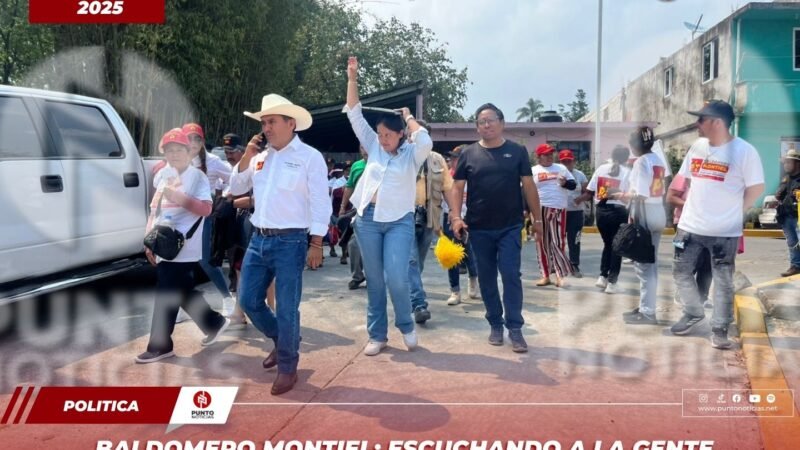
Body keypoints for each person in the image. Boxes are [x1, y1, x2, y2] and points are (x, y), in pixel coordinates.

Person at [229, 93, 331, 395]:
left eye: (272, 121)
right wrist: (247, 155)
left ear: (291, 123)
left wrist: (317, 242)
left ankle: (288, 367)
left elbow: (320, 201)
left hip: (291, 241)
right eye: (263, 123)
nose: (266, 128)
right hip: (258, 238)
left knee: (287, 307)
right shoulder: (260, 158)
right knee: (248, 300)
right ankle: (283, 339)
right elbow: (235, 186)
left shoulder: (310, 157)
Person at [344, 56, 431, 356]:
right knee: (375, 281)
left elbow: (426, 141)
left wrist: (408, 117)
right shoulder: (373, 146)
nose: (382, 140)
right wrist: (352, 78)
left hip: (399, 222)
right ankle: (377, 335)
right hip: (367, 220)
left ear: (401, 135)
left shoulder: (412, 155)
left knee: (397, 277)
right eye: (380, 135)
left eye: (388, 135)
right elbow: (354, 114)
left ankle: (406, 324)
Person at [448, 102, 543, 353]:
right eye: (481, 122)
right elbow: (457, 187)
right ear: (477, 127)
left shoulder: (517, 151)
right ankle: (495, 324)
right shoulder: (468, 154)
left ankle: (515, 327)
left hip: (510, 226)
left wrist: (538, 219)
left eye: (491, 120)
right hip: (479, 228)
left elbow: (528, 185)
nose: (486, 125)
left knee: (511, 274)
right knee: (487, 278)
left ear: (502, 123)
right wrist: (456, 217)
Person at [670, 100, 764, 349]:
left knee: (722, 280)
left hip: (724, 233)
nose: (697, 124)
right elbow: (686, 179)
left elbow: (756, 188)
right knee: (680, 272)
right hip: (689, 227)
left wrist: (733, 212)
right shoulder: (697, 147)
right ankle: (693, 312)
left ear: (717, 123)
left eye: (701, 119)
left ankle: (720, 328)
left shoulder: (744, 151)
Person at [136, 128, 231, 364]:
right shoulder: (162, 174)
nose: (174, 154)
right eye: (169, 150)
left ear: (189, 152)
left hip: (184, 245)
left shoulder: (197, 177)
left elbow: (206, 209)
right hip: (163, 242)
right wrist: (149, 239)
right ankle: (213, 322)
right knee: (181, 290)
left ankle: (160, 345)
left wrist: (177, 196)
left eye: (179, 149)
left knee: (166, 293)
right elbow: (155, 209)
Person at [612, 127, 667, 325]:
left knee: (644, 266)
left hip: (645, 214)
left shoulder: (641, 162)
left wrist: (621, 195)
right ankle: (647, 306)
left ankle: (648, 312)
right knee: (651, 264)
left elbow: (641, 194)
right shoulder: (658, 159)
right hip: (658, 211)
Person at [182, 123, 235, 314]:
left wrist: (223, 198)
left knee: (205, 261)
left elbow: (234, 179)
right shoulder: (179, 159)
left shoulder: (213, 161)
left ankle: (227, 299)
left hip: (204, 217)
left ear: (202, 141)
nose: (193, 143)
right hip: (182, 217)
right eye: (189, 139)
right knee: (181, 262)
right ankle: (183, 305)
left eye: (197, 139)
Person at [408, 119, 454, 324]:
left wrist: (454, 213)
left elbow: (447, 188)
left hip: (430, 216)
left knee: (418, 262)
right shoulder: (401, 155)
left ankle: (410, 293)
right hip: (405, 216)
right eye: (413, 132)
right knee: (411, 260)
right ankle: (419, 304)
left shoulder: (437, 159)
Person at [577, 145, 631, 294]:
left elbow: (589, 191)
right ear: (626, 158)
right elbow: (629, 195)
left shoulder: (601, 169)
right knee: (617, 247)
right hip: (619, 211)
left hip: (601, 211)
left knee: (608, 244)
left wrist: (579, 199)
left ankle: (602, 276)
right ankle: (612, 282)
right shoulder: (628, 172)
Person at [531, 143, 576, 287]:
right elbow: (526, 191)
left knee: (558, 242)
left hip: (558, 209)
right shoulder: (533, 170)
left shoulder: (561, 168)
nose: (550, 156)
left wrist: (565, 183)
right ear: (539, 157)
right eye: (546, 154)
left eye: (551, 154)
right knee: (541, 242)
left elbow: (573, 185)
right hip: (540, 209)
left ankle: (560, 275)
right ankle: (545, 275)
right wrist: (526, 210)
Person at [666, 173, 712, 308]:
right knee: (686, 262)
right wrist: (692, 206)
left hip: (709, 225)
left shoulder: (714, 174)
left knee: (707, 262)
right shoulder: (683, 175)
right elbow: (670, 197)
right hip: (684, 223)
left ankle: (702, 297)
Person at [442, 145, 479, 306]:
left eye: (456, 158)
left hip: (468, 218)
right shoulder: (446, 177)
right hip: (450, 218)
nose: (453, 161)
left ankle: (473, 278)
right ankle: (455, 291)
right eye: (452, 158)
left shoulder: (474, 177)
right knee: (451, 255)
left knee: (469, 253)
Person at [339, 146, 368, 286]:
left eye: (367, 146)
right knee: (353, 244)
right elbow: (349, 186)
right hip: (359, 211)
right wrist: (342, 207)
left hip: (379, 211)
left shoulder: (383, 162)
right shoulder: (356, 166)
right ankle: (357, 276)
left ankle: (375, 277)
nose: (365, 150)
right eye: (362, 147)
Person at [559, 149, 588, 278]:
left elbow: (588, 192)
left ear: (573, 161)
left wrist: (580, 199)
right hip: (560, 212)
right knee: (558, 240)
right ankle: (558, 265)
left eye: (569, 161)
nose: (566, 164)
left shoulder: (580, 175)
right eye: (564, 162)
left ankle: (574, 264)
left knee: (574, 240)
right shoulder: (556, 174)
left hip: (576, 212)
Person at [775, 149, 800, 277]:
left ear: (797, 163)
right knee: (792, 243)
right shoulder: (786, 179)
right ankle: (795, 266)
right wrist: (778, 195)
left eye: (789, 162)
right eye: (785, 162)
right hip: (786, 215)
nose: (786, 165)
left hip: (798, 217)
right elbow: (780, 193)